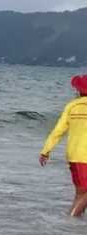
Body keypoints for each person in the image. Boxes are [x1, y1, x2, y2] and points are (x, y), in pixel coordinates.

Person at [40, 75, 87, 216]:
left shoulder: (71, 106)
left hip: (73, 155)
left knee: (80, 193)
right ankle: (71, 219)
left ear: (78, 90)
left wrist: (45, 151)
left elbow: (58, 131)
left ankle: (72, 227)